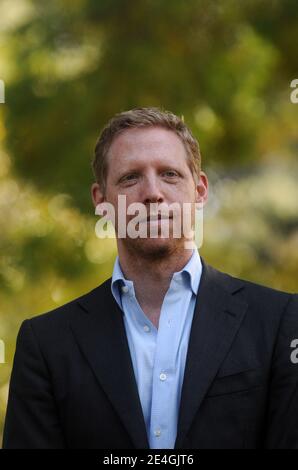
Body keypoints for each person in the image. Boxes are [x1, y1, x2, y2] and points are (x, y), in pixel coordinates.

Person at [3, 107, 298, 449]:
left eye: (170, 174)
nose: (152, 193)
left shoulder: (280, 323)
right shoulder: (46, 344)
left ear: (200, 190)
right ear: (102, 201)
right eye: (131, 178)